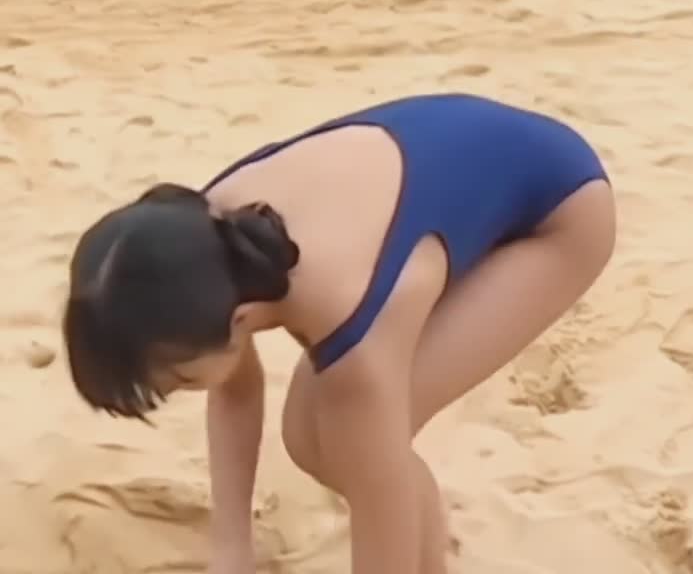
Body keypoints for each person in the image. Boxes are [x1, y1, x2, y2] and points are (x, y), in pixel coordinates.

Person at [63, 92, 615, 574]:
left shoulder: (351, 320)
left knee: (349, 448)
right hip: (460, 162)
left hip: (557, 212)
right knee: (317, 439)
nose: (184, 389)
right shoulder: (194, 243)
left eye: (184, 378)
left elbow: (381, 506)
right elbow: (234, 388)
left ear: (238, 321)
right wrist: (232, 550)